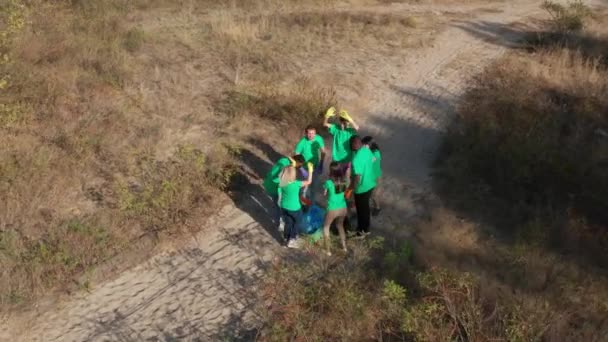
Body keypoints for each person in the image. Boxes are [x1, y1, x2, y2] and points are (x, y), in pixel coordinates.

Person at [263, 155, 305, 230]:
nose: (298, 167)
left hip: (275, 185)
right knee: (278, 206)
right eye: (299, 165)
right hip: (273, 187)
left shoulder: (286, 162)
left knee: (279, 205)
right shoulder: (284, 163)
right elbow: (278, 175)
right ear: (296, 162)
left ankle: (280, 220)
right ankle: (279, 223)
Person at [278, 164, 312, 248]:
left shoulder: (281, 182)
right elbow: (309, 181)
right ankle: (292, 239)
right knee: (297, 221)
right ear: (293, 175)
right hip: (294, 208)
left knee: (288, 223)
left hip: (284, 207)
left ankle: (285, 239)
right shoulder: (296, 184)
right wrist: (310, 171)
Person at [349, 135, 376, 237]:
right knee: (366, 208)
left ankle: (361, 232)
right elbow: (373, 160)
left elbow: (357, 177)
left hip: (362, 188)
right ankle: (366, 227)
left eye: (351, 144)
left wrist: (352, 189)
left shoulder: (356, 159)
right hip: (370, 183)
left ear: (354, 144)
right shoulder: (366, 150)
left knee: (361, 210)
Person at [323, 107, 359, 178]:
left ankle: (342, 188)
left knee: (344, 177)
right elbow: (324, 124)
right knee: (333, 176)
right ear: (340, 122)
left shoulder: (350, 131)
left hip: (347, 158)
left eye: (346, 123)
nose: (345, 125)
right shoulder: (335, 128)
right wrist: (326, 116)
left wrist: (350, 119)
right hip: (336, 158)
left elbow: (357, 128)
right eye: (343, 123)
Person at [322, 162, 349, 256]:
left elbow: (324, 193)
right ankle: (344, 247)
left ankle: (328, 251)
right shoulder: (344, 181)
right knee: (340, 226)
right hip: (343, 207)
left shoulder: (328, 183)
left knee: (326, 227)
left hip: (332, 208)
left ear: (331, 172)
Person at [294, 125, 326, 203]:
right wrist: (301, 168)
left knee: (314, 185)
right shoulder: (302, 142)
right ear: (306, 133)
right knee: (303, 186)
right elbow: (296, 154)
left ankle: (312, 202)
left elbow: (323, 151)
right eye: (309, 133)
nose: (311, 135)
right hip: (305, 168)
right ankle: (301, 201)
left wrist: (321, 163)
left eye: (313, 133)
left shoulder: (319, 139)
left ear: (315, 133)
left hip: (315, 166)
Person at [362, 136, 382, 216]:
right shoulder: (368, 151)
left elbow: (371, 160)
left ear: (368, 144)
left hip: (375, 177)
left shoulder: (376, 153)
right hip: (368, 176)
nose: (363, 146)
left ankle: (377, 207)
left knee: (373, 195)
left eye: (364, 145)